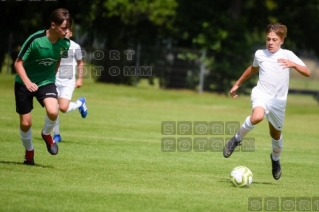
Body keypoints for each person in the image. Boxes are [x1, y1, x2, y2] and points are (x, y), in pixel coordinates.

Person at [223, 23, 310, 180]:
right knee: (257, 116)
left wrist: (294, 65)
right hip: (261, 94)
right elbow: (252, 68)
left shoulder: (288, 55)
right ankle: (236, 139)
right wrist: (238, 83)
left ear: (282, 40)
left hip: (279, 102)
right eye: (268, 39)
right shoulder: (260, 54)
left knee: (275, 135)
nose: (270, 42)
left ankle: (275, 160)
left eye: (274, 39)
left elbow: (307, 72)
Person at [14, 8, 72, 165]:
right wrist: (27, 82)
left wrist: (51, 77)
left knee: (53, 111)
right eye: (64, 28)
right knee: (26, 123)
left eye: (68, 28)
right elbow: (18, 63)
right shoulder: (35, 39)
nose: (67, 31)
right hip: (24, 82)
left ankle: (46, 134)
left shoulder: (65, 44)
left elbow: (58, 59)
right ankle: (29, 151)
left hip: (46, 82)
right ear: (53, 25)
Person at [53, 27, 88, 143]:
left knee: (63, 108)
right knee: (53, 107)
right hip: (55, 80)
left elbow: (80, 63)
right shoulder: (55, 44)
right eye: (63, 30)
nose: (65, 32)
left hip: (68, 81)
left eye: (67, 31)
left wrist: (80, 79)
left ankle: (80, 103)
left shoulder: (75, 46)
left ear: (71, 33)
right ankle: (56, 135)